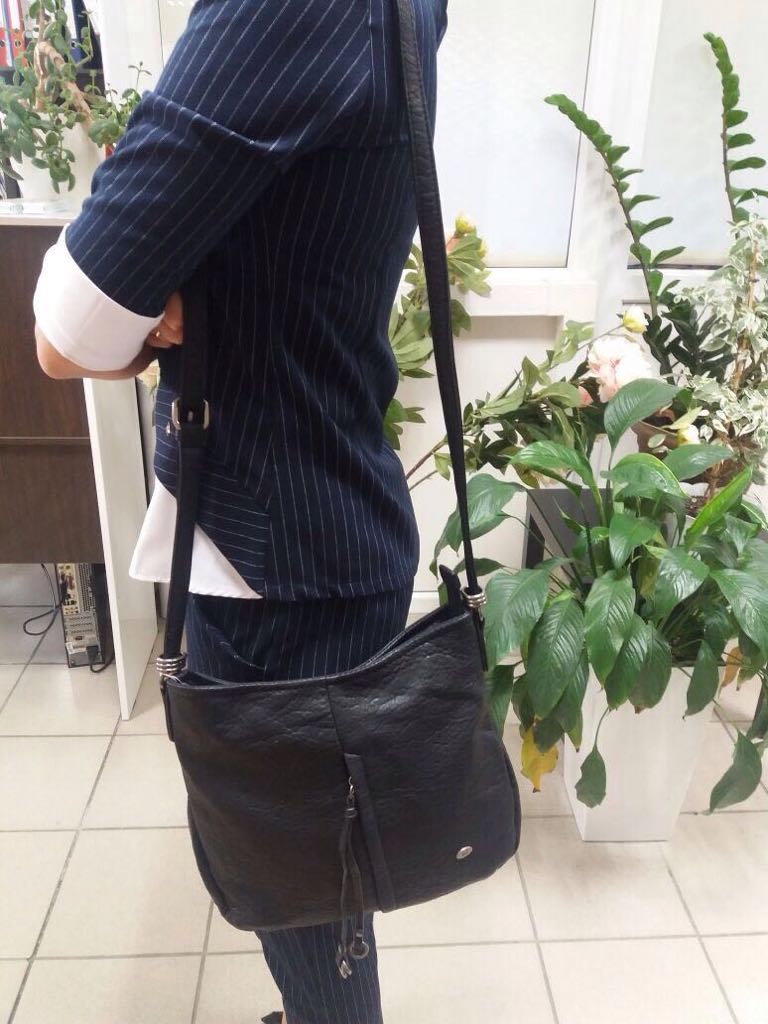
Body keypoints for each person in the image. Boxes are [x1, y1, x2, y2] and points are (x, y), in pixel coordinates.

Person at [33, 0, 448, 1020]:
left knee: (305, 895)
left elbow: (68, 330)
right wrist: (181, 288)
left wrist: (161, 292)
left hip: (273, 559)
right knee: (315, 881)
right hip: (321, 516)